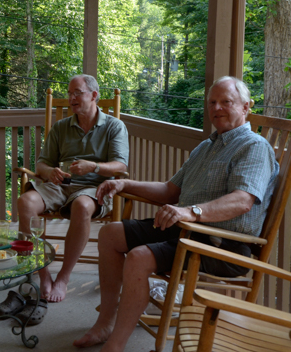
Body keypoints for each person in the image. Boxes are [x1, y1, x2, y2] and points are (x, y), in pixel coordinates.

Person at [73, 76, 279, 351]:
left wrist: (191, 211)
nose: (217, 108)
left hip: (223, 243)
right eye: (212, 102)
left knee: (139, 257)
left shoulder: (254, 147)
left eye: (226, 102)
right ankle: (105, 322)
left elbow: (242, 201)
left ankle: (116, 345)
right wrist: (124, 183)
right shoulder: (206, 146)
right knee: (110, 234)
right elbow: (171, 190)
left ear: (246, 107)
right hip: (188, 230)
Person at [18, 74, 129, 303]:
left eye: (77, 92)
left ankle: (63, 277)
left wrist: (94, 166)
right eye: (69, 93)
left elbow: (121, 165)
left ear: (94, 95)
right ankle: (43, 272)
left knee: (81, 206)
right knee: (25, 202)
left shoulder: (114, 127)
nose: (71, 98)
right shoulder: (60, 127)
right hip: (60, 185)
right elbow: (41, 163)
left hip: (94, 188)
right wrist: (50, 173)